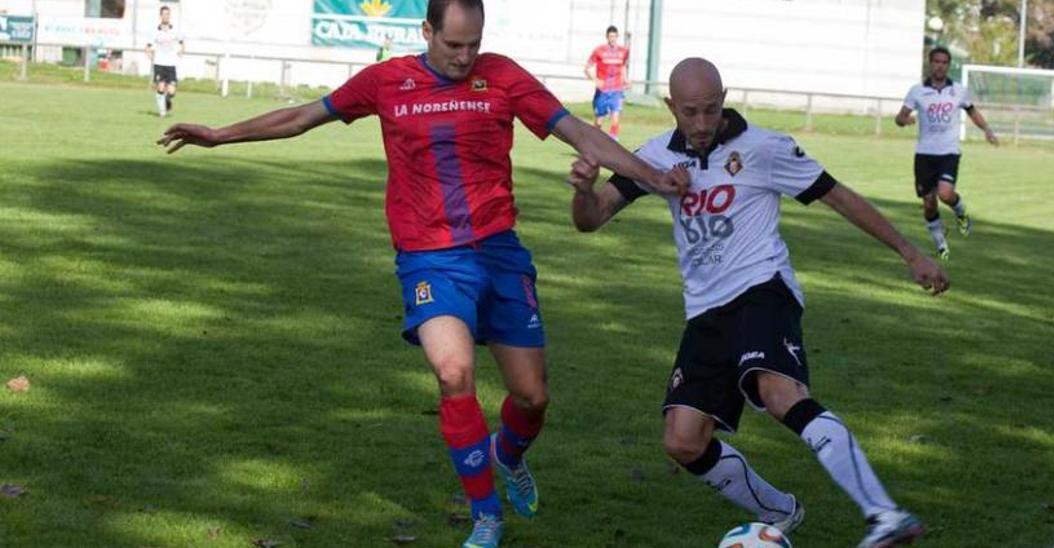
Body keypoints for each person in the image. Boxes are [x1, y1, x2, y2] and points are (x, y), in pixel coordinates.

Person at [156, 1, 681, 547]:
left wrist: (652, 175)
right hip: (429, 258)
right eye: (453, 45)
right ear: (426, 31)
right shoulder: (387, 81)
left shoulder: (503, 76)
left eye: (473, 44)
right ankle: (485, 515)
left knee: (533, 398)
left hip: (498, 253)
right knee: (453, 374)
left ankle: (508, 453)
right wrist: (219, 135)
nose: (464, 56)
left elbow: (580, 133)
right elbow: (301, 117)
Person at [565, 58, 946, 548]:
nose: (701, 124)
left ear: (723, 100)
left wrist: (910, 252)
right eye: (689, 113)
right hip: (705, 312)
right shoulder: (654, 156)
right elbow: (591, 219)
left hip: (763, 291)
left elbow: (839, 197)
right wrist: (581, 191)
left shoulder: (765, 148)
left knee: (779, 394)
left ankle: (885, 515)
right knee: (683, 441)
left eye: (709, 110)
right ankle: (780, 514)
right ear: (670, 108)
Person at [895, 46, 998, 260]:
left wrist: (987, 130)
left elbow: (972, 112)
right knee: (929, 202)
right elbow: (900, 117)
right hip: (924, 154)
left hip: (949, 152)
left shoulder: (959, 91)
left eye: (944, 62)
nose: (940, 66)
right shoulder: (917, 91)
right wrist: (906, 120)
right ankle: (940, 243)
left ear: (948, 65)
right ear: (930, 64)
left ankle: (960, 212)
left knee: (945, 194)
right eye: (937, 62)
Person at [583, 25, 629, 139]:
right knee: (599, 120)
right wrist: (596, 80)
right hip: (603, 90)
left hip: (617, 89)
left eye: (614, 36)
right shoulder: (599, 51)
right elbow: (587, 68)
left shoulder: (623, 51)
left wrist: (625, 79)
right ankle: (593, 142)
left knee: (615, 117)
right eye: (610, 36)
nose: (612, 39)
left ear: (617, 37)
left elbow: (623, 66)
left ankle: (613, 144)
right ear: (607, 37)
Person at [145, 5, 184, 118]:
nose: (166, 16)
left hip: (171, 64)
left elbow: (182, 43)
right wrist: (150, 56)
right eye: (164, 14)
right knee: (160, 88)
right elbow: (147, 46)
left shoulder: (174, 30)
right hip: (159, 63)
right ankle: (162, 112)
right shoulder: (155, 31)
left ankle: (167, 100)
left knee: (171, 91)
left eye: (168, 14)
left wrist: (181, 52)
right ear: (160, 16)